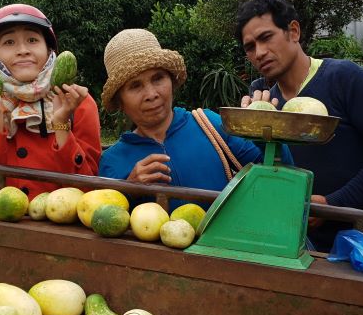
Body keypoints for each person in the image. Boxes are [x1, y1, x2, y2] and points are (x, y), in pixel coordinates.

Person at [236, 0, 363, 252]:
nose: (259, 53)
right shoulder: (267, 103)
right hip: (307, 244)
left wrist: (334, 204)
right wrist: (256, 130)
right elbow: (279, 172)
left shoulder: (344, 78)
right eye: (250, 47)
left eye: (266, 37)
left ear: (293, 31)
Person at [98, 28, 291, 209]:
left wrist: (268, 132)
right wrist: (130, 189)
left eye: (158, 78)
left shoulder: (210, 125)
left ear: (172, 82)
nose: (151, 94)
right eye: (135, 86)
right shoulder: (112, 162)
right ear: (120, 102)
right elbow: (108, 224)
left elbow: (282, 175)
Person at [0, 4, 101, 198]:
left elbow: (88, 190)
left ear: (49, 50)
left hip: (60, 225)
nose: (22, 50)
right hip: (5, 224)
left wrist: (62, 124)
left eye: (32, 40)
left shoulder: (77, 101)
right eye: (9, 42)